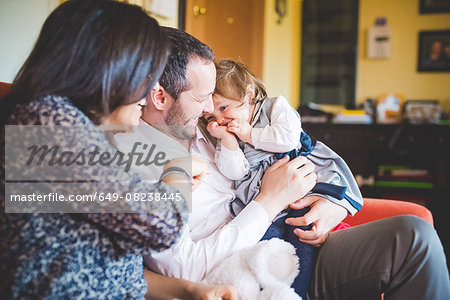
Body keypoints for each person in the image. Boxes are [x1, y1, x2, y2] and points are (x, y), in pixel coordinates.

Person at [117, 26, 450, 300]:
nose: (209, 109)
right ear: (160, 97)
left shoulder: (208, 128)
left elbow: (309, 153)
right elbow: (185, 271)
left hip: (294, 235)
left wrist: (332, 203)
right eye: (202, 98)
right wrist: (270, 199)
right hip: (246, 273)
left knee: (413, 234)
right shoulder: (137, 159)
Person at [0, 0, 238, 299]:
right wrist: (179, 169)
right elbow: (161, 225)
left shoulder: (70, 126)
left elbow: (112, 267)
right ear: (111, 69)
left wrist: (190, 289)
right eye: (147, 74)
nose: (150, 90)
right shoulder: (45, 125)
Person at [202, 58, 361, 297]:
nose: (219, 120)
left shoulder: (274, 107)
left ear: (249, 94)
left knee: (302, 236)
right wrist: (228, 141)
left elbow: (287, 139)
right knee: (266, 247)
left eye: (223, 108)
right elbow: (235, 173)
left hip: (299, 180)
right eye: (210, 118)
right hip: (264, 199)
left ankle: (299, 293)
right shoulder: (227, 132)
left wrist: (248, 133)